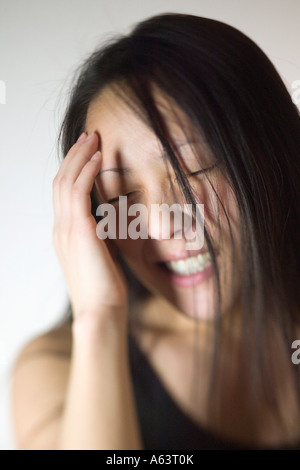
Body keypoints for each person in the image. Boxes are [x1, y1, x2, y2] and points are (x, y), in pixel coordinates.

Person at [11, 12, 300, 450]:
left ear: (269, 157)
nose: (163, 224)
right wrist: (99, 318)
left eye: (193, 168)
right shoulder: (55, 372)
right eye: (121, 196)